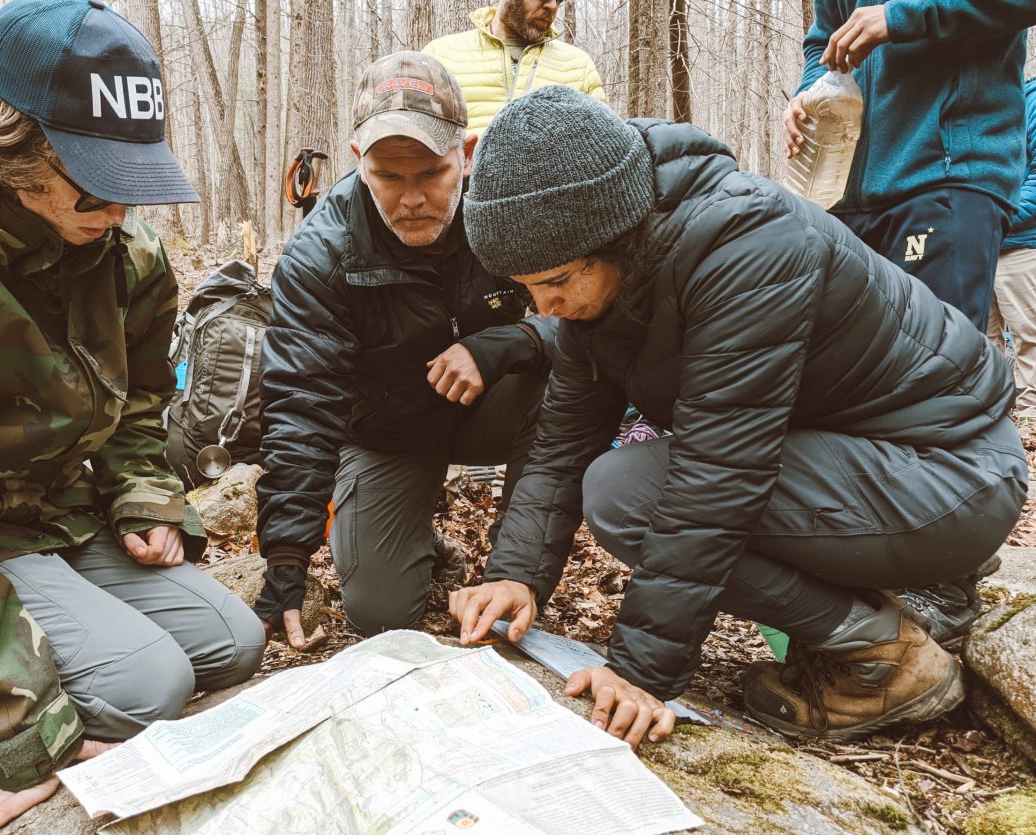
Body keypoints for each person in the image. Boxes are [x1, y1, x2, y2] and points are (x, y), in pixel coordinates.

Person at [450, 86, 1026, 748]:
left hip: (949, 473)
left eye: (555, 282)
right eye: (526, 292)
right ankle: (907, 593)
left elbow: (717, 476)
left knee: (629, 495)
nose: (544, 307)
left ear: (614, 233)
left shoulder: (747, 245)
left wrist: (641, 673)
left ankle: (885, 656)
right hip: (868, 462)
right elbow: (563, 440)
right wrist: (515, 573)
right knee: (613, 483)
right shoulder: (603, 275)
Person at [0, 0, 266, 835]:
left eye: (130, 182)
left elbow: (143, 402)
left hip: (44, 516)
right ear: (15, 152)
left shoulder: (119, 246)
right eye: (97, 185)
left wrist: (145, 498)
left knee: (231, 644)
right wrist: (34, 741)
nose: (120, 213)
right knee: (145, 690)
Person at [254, 52, 556, 646]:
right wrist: (287, 559)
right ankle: (424, 546)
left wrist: (510, 342)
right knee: (380, 613)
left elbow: (584, 322)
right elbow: (300, 403)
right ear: (357, 162)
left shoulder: (510, 210)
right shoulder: (321, 255)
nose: (412, 198)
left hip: (493, 405)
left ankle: (510, 573)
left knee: (559, 388)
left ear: (465, 155)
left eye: (432, 174)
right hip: (387, 432)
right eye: (389, 177)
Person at [783, 0, 1035, 335]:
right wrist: (808, 95)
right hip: (844, 198)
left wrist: (900, 15)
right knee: (848, 377)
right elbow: (824, 39)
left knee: (936, 372)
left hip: (942, 176)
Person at [423, 1, 605, 135]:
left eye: (559, 0)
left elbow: (603, 148)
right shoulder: (440, 55)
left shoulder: (578, 66)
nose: (552, 6)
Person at [989, 76, 1036, 431]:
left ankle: (1032, 418)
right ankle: (992, 416)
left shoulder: (1030, 100)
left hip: (1019, 245)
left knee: (1027, 334)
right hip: (978, 247)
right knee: (980, 337)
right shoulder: (985, 103)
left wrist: (997, 218)